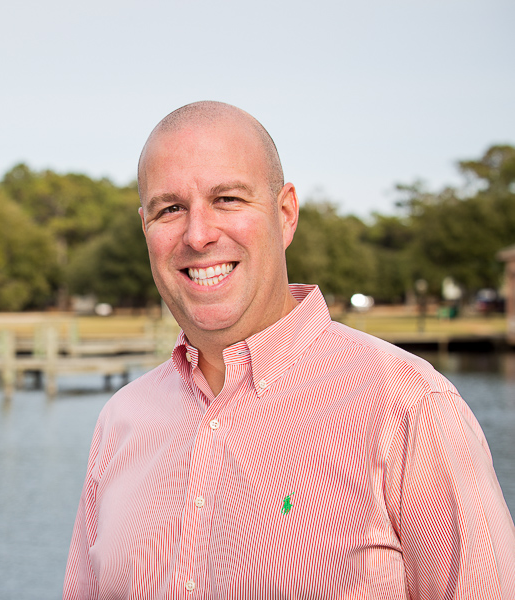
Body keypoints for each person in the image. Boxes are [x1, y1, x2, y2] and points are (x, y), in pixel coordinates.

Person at [63, 101, 515, 599]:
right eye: (170, 209)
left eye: (228, 198)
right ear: (145, 227)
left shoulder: (408, 406)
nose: (198, 234)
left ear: (285, 214)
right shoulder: (120, 423)